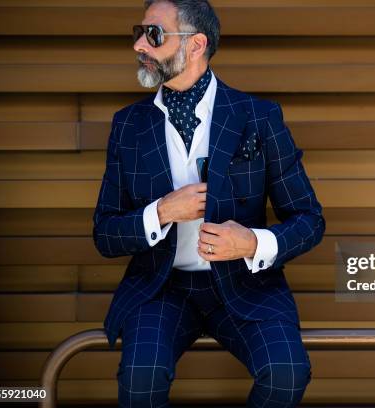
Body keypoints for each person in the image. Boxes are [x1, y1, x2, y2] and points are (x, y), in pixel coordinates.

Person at [91, 0, 326, 406]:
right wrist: (161, 212)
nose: (138, 46)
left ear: (196, 44)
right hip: (162, 287)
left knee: (287, 373)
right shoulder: (128, 124)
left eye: (154, 34)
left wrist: (253, 244)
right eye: (139, 33)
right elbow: (105, 233)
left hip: (246, 285)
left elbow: (308, 219)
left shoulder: (258, 117)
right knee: (140, 379)